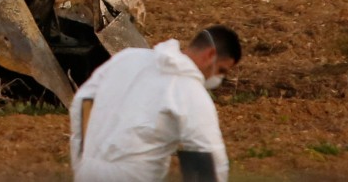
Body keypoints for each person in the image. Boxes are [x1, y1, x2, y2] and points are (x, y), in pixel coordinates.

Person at [69, 25, 242, 182]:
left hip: (89, 172)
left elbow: (83, 102)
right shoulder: (190, 91)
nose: (217, 79)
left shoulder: (127, 58)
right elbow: (208, 155)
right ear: (210, 54)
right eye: (221, 70)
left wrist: (82, 161)